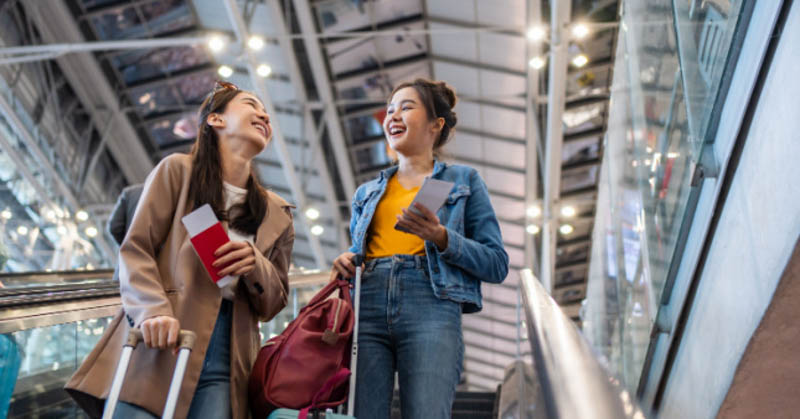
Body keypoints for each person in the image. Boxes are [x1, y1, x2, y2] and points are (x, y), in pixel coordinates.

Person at [65, 81, 295, 419]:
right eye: (251, 105)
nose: (264, 115)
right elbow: (136, 249)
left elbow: (273, 303)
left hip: (229, 356)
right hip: (161, 338)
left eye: (267, 113)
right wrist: (153, 311)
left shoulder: (277, 212)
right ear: (215, 120)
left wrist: (255, 265)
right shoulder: (178, 171)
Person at [330, 78, 509, 418]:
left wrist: (442, 237)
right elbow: (358, 251)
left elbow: (496, 264)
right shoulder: (366, 193)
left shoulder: (460, 181)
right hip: (367, 302)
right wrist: (345, 259)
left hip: (431, 303)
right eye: (391, 108)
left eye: (407, 107)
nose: (393, 115)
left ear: (435, 125)